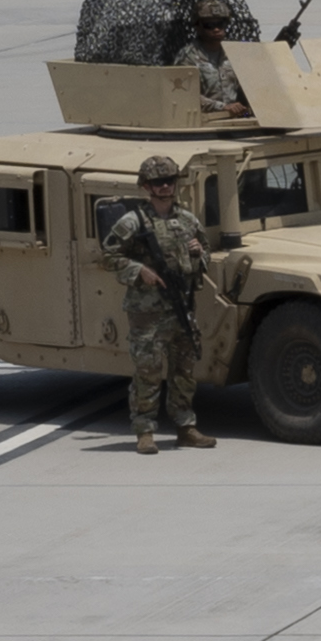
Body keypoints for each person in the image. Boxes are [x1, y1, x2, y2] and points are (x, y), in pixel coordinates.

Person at [99, 154, 216, 452]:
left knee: (184, 371)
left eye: (169, 180)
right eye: (158, 182)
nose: (165, 186)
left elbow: (206, 255)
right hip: (147, 310)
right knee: (148, 372)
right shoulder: (133, 222)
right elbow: (108, 256)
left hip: (182, 307)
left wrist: (197, 253)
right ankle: (144, 431)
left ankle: (186, 427)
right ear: (146, 186)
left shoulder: (187, 220)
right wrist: (139, 270)